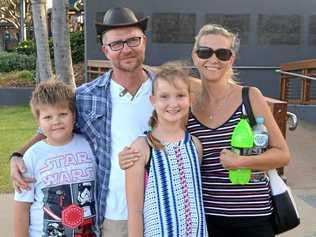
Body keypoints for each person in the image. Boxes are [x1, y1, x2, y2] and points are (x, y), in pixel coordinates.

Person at [119, 24, 291, 237]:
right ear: (195, 56)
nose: (213, 59)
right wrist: (131, 157)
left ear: (232, 59)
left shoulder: (249, 97)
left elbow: (282, 154)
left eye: (223, 53)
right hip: (204, 221)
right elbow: (164, 143)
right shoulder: (185, 105)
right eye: (205, 52)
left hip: (253, 217)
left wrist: (242, 162)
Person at [10, 7, 155, 237]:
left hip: (162, 210)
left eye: (133, 40)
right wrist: (18, 155)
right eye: (116, 44)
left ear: (144, 41)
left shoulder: (167, 91)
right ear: (105, 50)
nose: (126, 49)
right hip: (114, 216)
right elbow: (50, 128)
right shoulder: (86, 96)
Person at [125, 64, 207, 236]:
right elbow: (135, 211)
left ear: (190, 99)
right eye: (164, 96)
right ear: (153, 101)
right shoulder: (142, 147)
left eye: (180, 95)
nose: (173, 103)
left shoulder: (195, 145)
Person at [13, 79, 98, 237]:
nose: (56, 121)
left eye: (63, 114)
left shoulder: (89, 146)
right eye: (48, 117)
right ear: (38, 121)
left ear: (74, 116)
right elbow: (21, 208)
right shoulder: (32, 156)